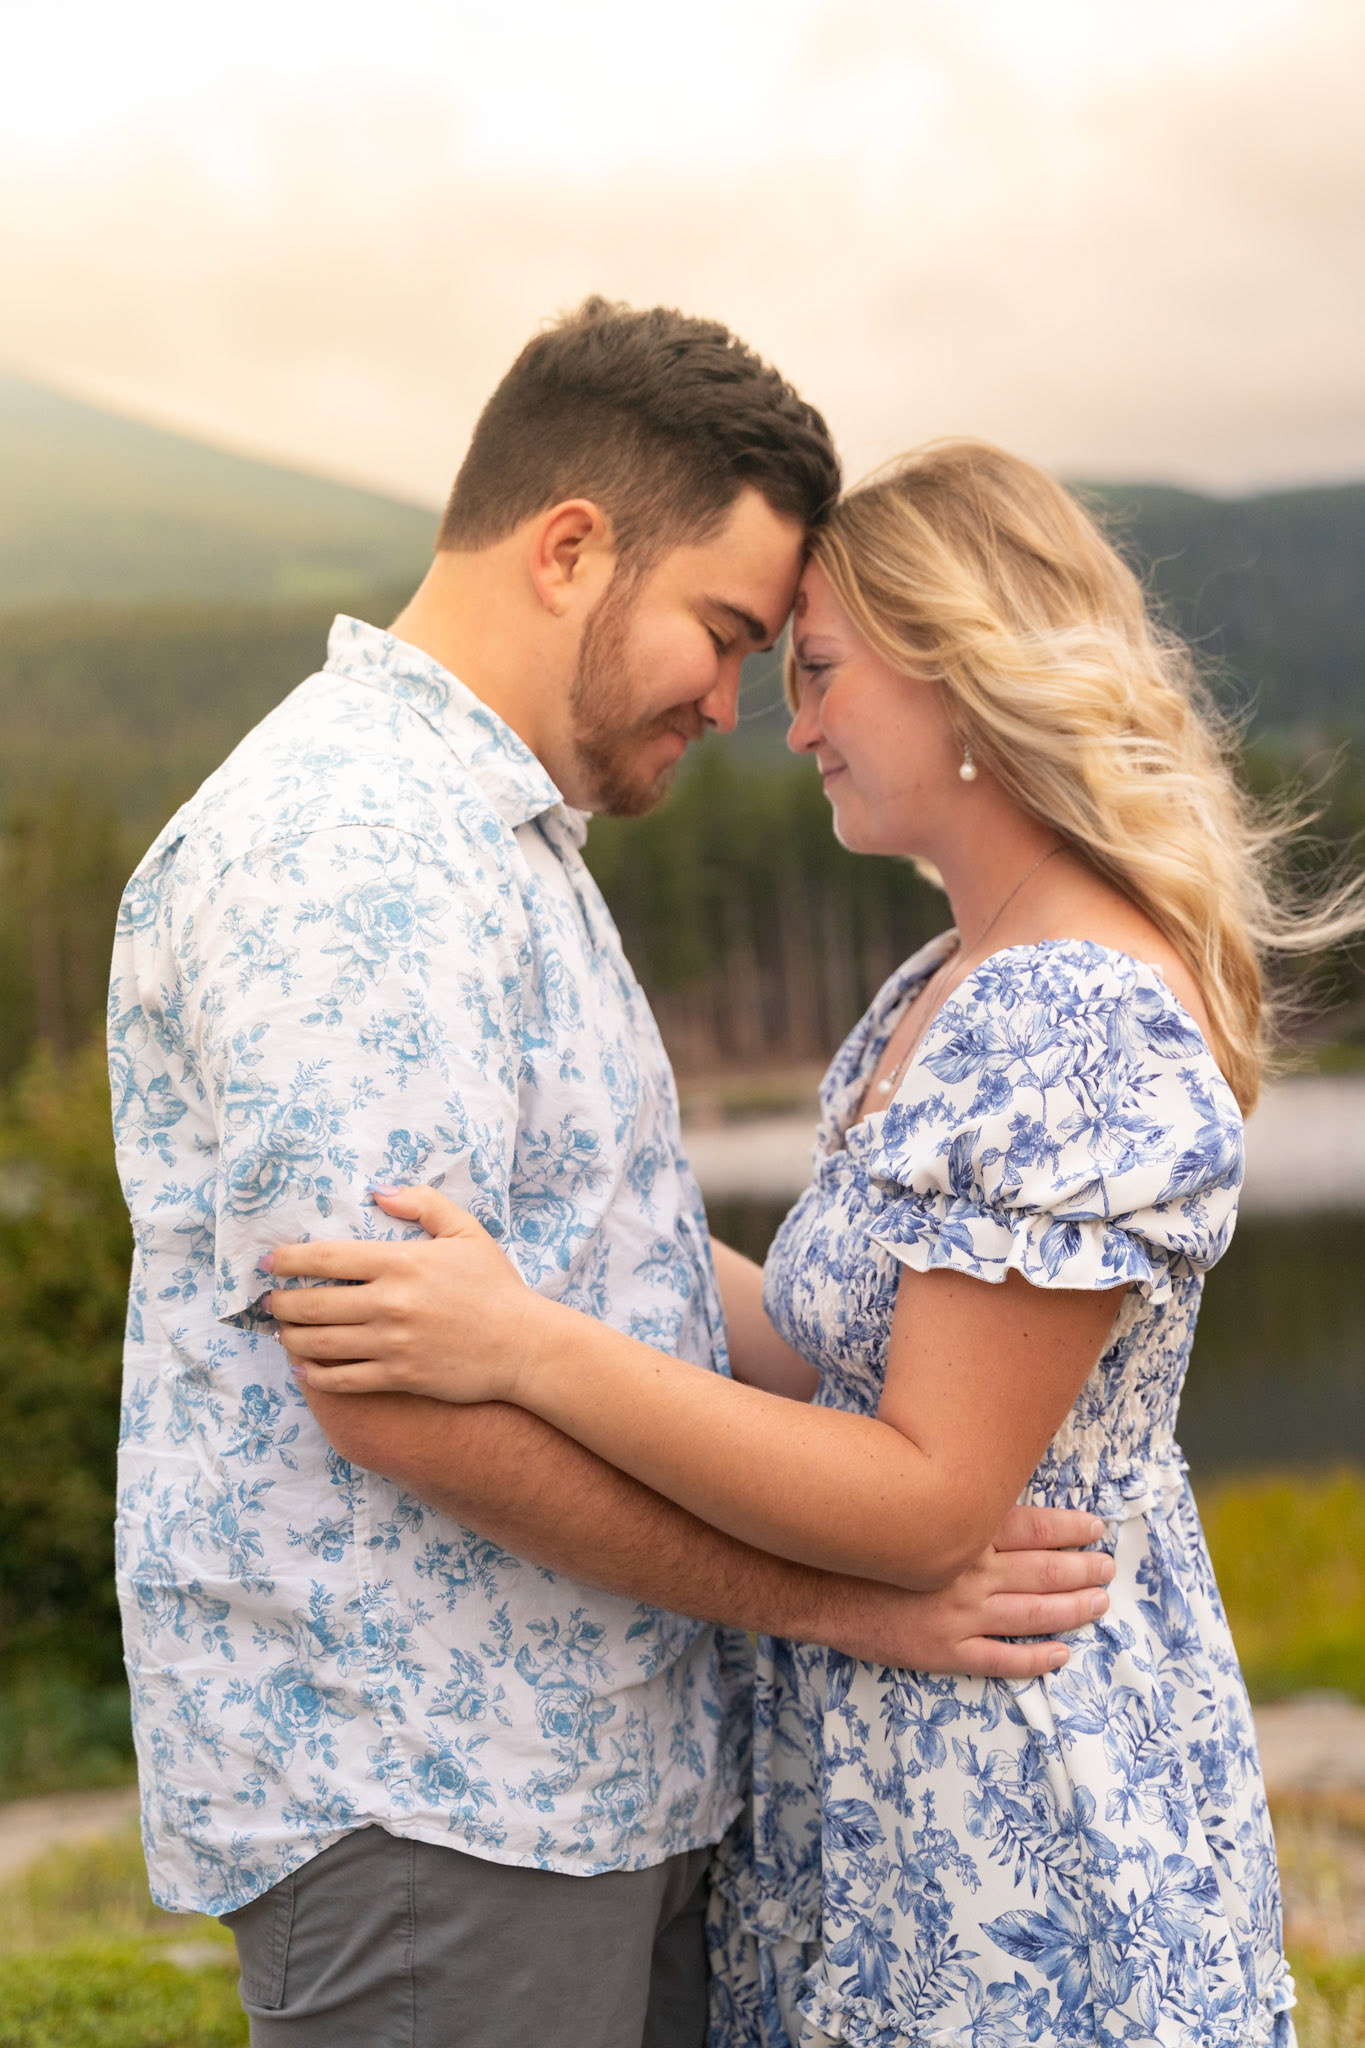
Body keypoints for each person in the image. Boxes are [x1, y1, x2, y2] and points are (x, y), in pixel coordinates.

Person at [270, 438, 1361, 2046]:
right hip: (880, 1759)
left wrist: (526, 1346)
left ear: (962, 673)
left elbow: (925, 1501)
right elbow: (814, 1348)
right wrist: (535, 1254)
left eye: (823, 673)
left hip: (1010, 1778)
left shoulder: (1073, 1014)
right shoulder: (947, 981)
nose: (792, 728)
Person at [109, 319, 1114, 2048]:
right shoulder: (355, 849)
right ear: (570, 548)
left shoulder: (493, 833)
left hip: (580, 1783)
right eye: (722, 635)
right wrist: (853, 1601)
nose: (733, 707)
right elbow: (390, 1392)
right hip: (440, 1796)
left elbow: (589, 1256)